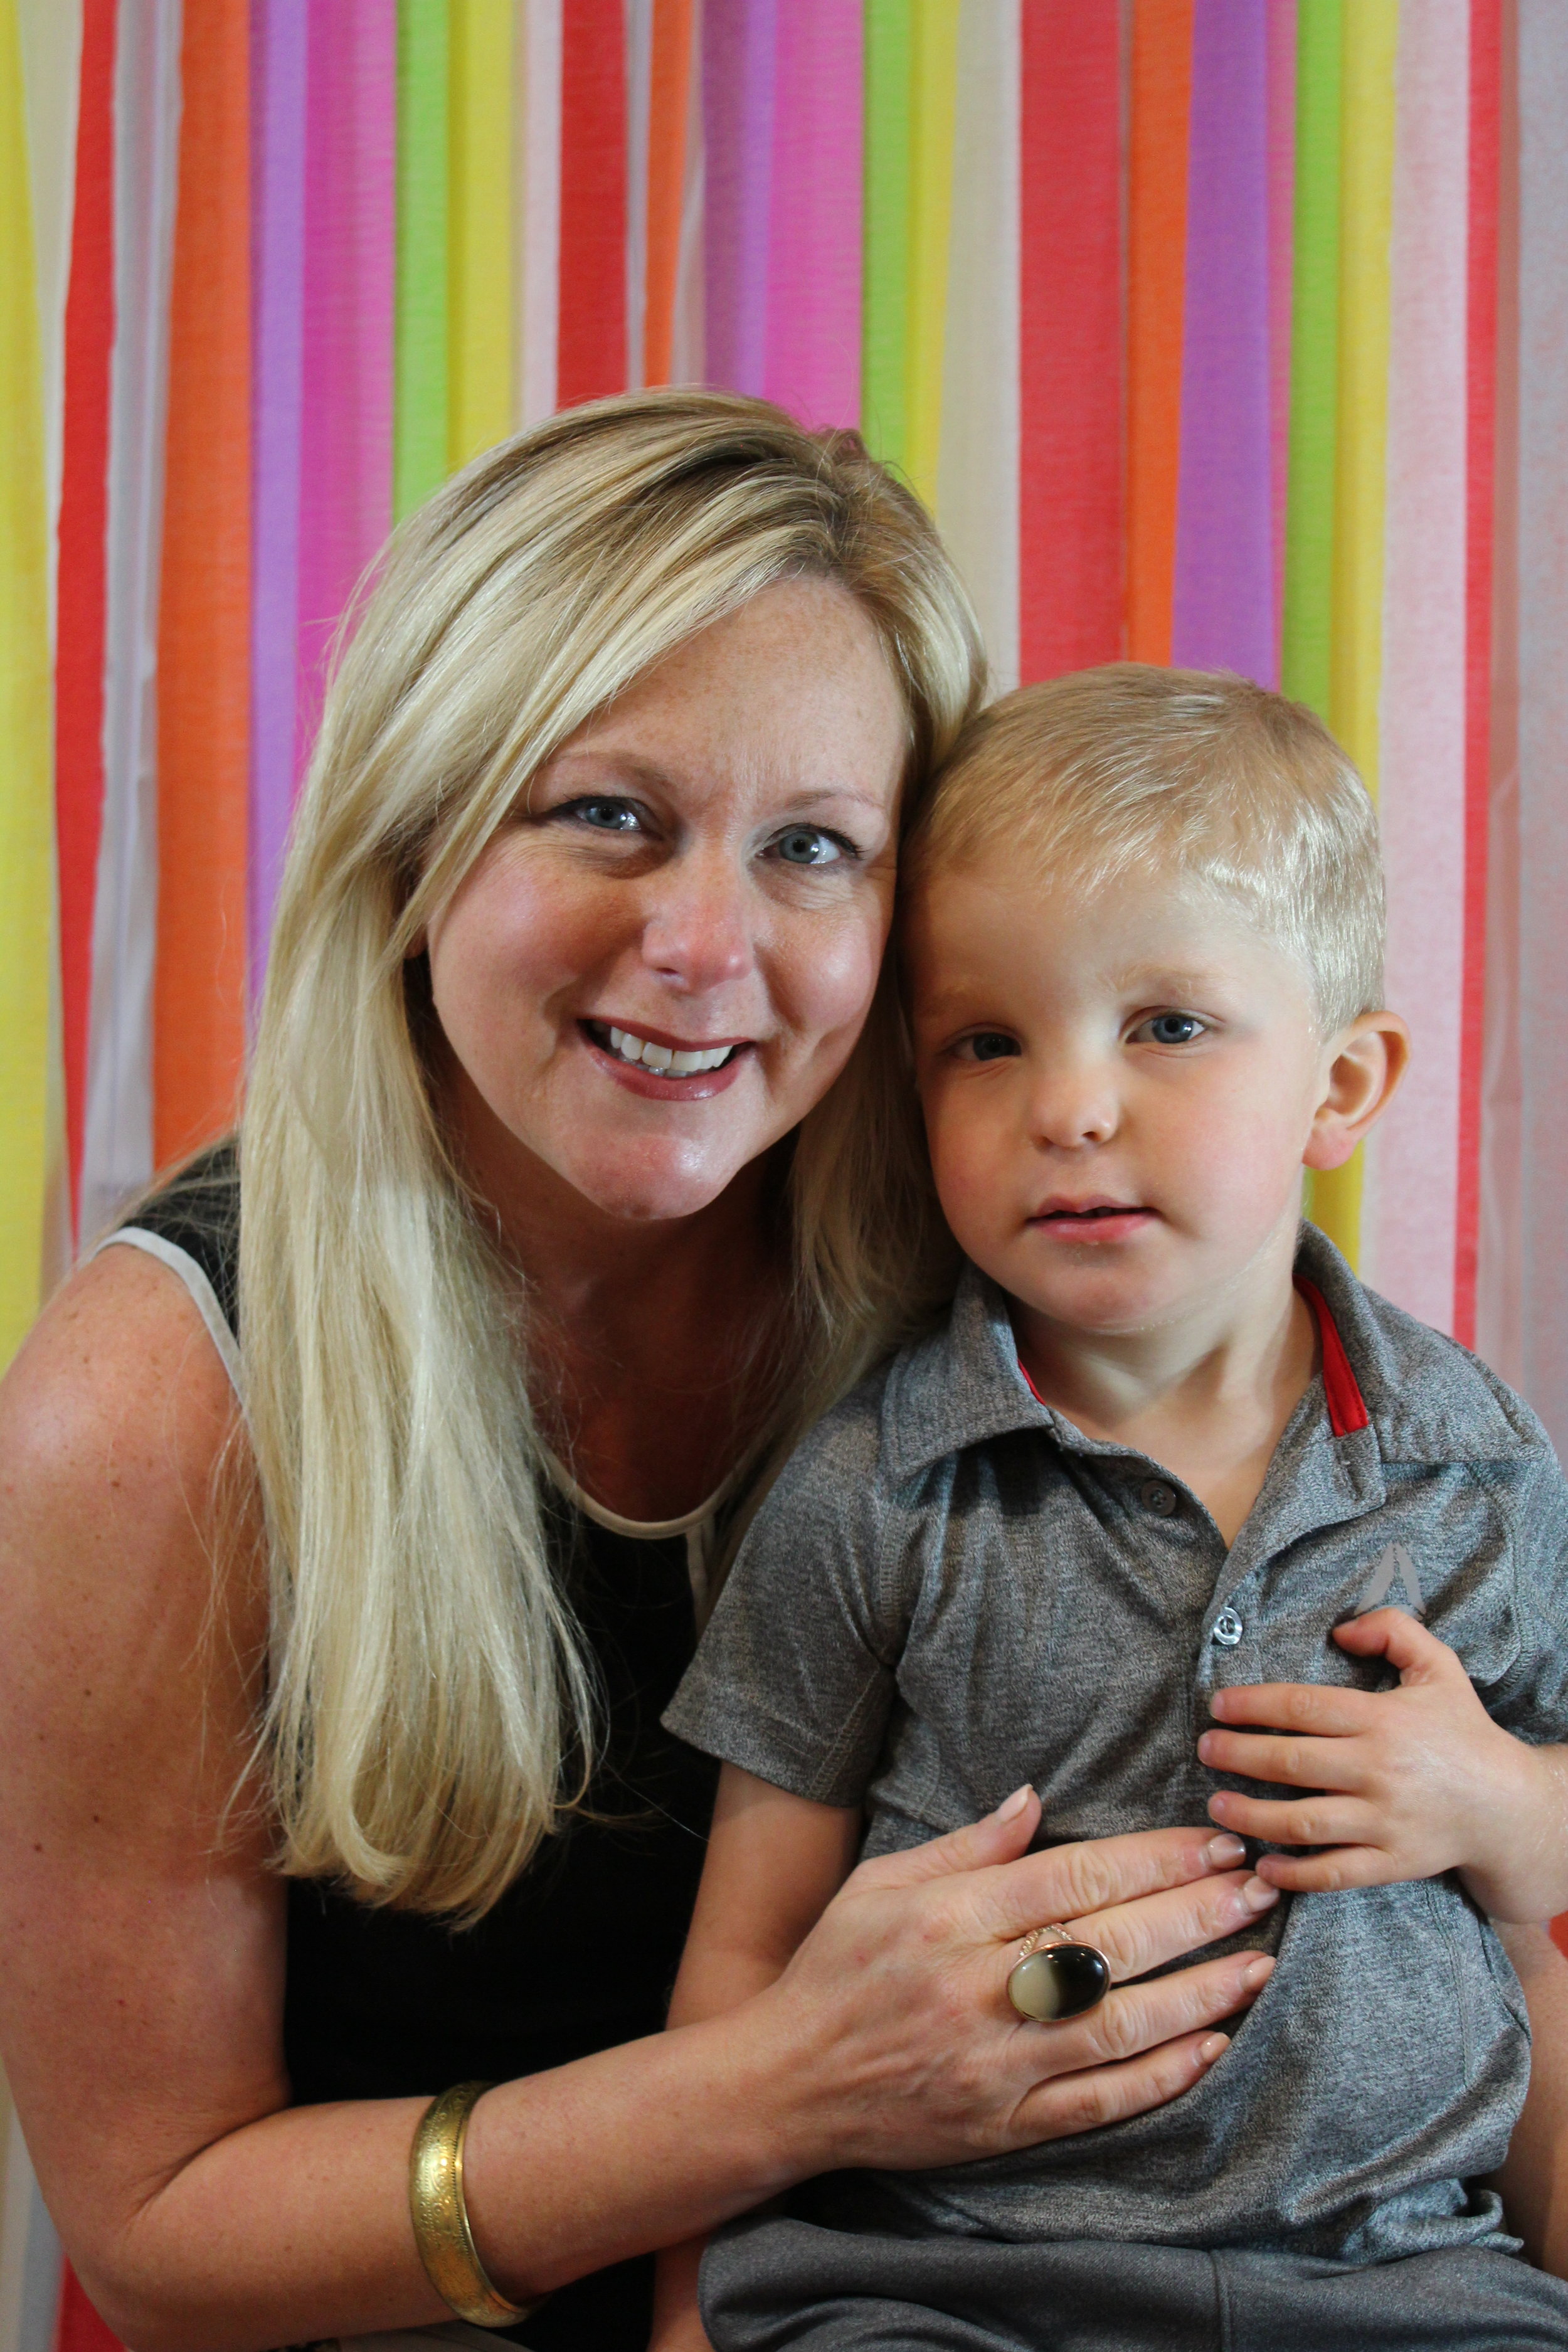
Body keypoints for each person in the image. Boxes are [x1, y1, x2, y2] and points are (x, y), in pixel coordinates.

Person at [0, 402, 1298, 2352]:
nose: (704, 944)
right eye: (607, 813)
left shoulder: (1017, 1253)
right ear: (418, 832)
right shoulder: (153, 1405)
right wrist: (783, 2090)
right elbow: (157, 2236)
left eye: (811, 848)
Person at [660, 666, 1568, 2351]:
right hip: (940, 2283)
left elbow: (1536, 1919)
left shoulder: (1474, 1467)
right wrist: (679, 2321)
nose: (1069, 1106)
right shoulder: (875, 1486)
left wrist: (1507, 1803)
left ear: (1342, 1084)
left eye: (1167, 1027)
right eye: (986, 1043)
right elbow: (743, 1960)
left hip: (1397, 2282)